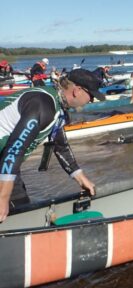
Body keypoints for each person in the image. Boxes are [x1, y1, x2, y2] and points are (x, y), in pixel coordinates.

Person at [0, 69, 104, 222]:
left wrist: (82, 180)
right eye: (91, 96)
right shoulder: (42, 105)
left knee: (22, 209)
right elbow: (15, 150)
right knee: (13, 211)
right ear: (77, 91)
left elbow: (60, 146)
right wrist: (3, 197)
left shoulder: (56, 106)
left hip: (6, 161)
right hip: (8, 157)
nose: (91, 101)